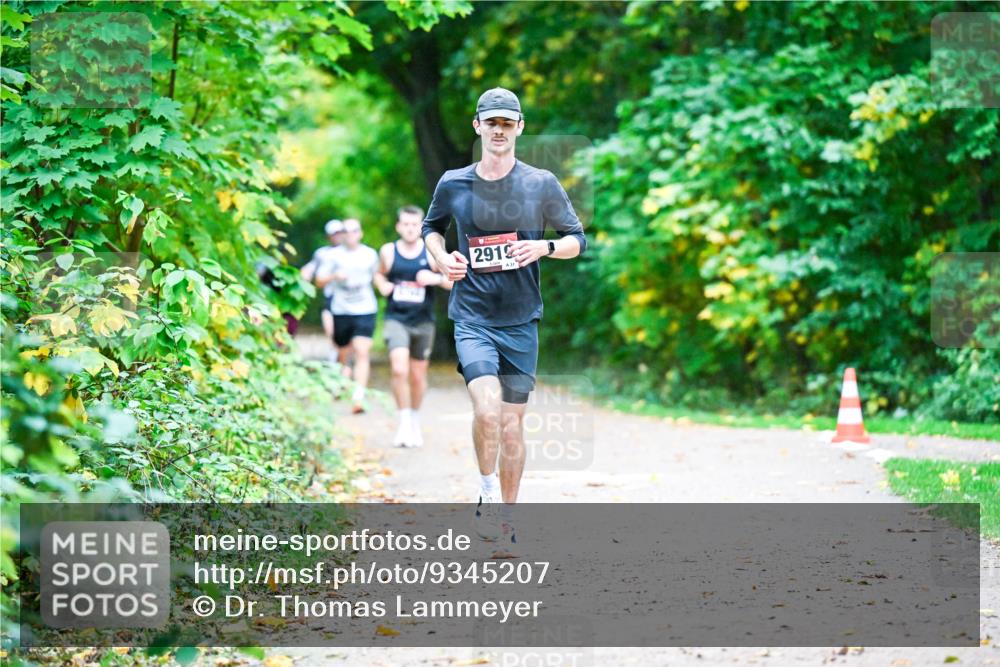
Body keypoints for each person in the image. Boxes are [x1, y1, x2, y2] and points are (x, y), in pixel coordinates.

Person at [421, 87, 586, 556]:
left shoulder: (540, 183)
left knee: (513, 426)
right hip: (472, 315)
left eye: (506, 123)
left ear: (520, 128)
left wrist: (544, 247)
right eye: (490, 122)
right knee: (488, 411)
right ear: (477, 127)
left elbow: (577, 239)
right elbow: (430, 228)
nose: (498, 130)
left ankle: (508, 520)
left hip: (520, 321)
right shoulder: (454, 182)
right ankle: (487, 490)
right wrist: (440, 259)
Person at [374, 205, 452, 448]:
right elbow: (378, 275)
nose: (410, 229)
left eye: (414, 224)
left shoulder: (431, 253)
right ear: (398, 226)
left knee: (418, 375)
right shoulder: (388, 251)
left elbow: (453, 280)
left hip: (423, 321)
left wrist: (436, 279)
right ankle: (404, 422)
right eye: (405, 224)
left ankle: (414, 420)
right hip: (396, 318)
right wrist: (382, 286)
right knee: (399, 369)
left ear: (421, 227)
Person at [315, 218, 379, 414]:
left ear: (360, 233)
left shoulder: (370, 254)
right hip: (341, 310)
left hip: (365, 309)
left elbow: (378, 277)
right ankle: (342, 372)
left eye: (354, 231)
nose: (350, 234)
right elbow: (319, 281)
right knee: (343, 352)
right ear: (342, 234)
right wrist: (334, 276)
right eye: (346, 231)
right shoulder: (332, 256)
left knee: (362, 351)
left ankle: (358, 397)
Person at [300, 219, 345, 363]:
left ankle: (343, 362)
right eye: (334, 234)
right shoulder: (322, 254)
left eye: (340, 233)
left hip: (350, 300)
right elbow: (310, 269)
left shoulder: (352, 252)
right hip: (330, 298)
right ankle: (334, 361)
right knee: (331, 332)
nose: (337, 236)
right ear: (328, 236)